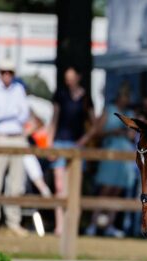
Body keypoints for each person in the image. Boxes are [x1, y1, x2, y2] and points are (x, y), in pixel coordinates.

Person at [0, 58, 31, 237]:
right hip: (0, 138)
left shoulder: (19, 89)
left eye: (10, 73)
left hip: (17, 138)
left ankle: (13, 221)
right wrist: (13, 112)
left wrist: (9, 113)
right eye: (4, 72)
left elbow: (24, 115)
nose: (7, 76)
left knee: (16, 183)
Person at [84, 85, 137, 238]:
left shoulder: (130, 114)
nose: (126, 99)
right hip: (111, 152)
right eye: (124, 96)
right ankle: (94, 224)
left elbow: (133, 136)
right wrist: (113, 132)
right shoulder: (110, 110)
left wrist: (129, 133)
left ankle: (109, 225)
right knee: (106, 189)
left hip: (125, 154)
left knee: (117, 190)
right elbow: (98, 131)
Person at [48, 67, 95, 235]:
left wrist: (83, 141)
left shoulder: (86, 99)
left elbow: (93, 124)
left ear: (78, 77)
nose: (69, 80)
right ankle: (59, 226)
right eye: (66, 77)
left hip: (76, 146)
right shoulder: (60, 95)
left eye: (71, 77)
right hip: (60, 143)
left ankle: (71, 226)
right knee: (60, 187)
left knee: (74, 188)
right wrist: (50, 143)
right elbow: (54, 120)